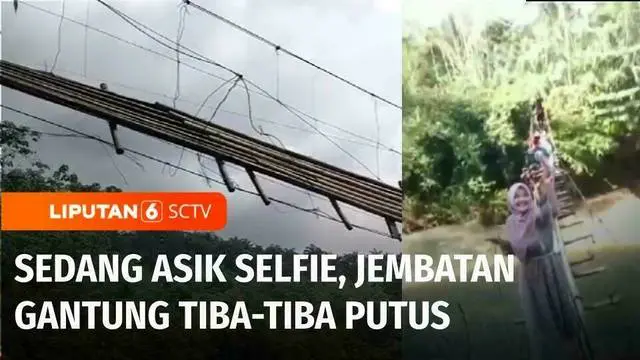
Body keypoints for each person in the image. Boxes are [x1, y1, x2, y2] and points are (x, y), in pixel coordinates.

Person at [506, 175, 585, 360]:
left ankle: (573, 349)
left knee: (561, 308)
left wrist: (546, 191)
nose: (521, 200)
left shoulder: (539, 213)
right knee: (541, 313)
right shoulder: (511, 222)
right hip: (531, 272)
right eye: (516, 197)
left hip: (551, 267)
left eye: (524, 195)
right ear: (510, 201)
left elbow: (550, 210)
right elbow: (520, 245)